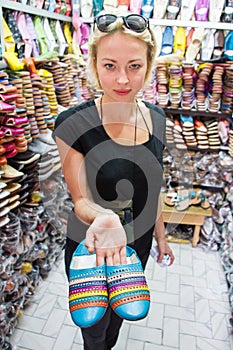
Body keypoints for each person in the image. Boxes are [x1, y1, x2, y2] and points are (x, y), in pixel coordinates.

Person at [53, 12, 175, 350]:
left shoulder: (158, 118)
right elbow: (80, 200)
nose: (123, 79)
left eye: (134, 66)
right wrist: (104, 217)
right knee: (94, 329)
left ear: (149, 64)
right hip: (89, 245)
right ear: (94, 63)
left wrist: (162, 238)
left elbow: (153, 188)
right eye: (110, 66)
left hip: (138, 244)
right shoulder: (73, 124)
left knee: (119, 321)